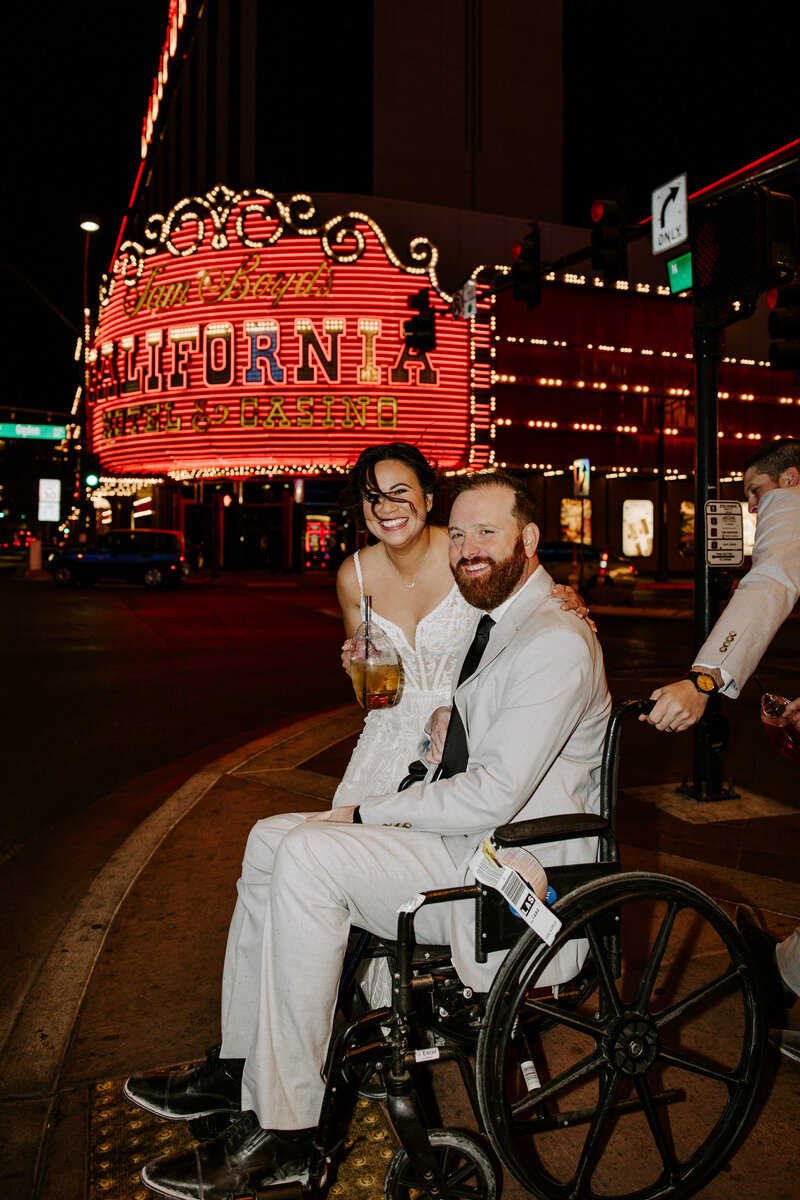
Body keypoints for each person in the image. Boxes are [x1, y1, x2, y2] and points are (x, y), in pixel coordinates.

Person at [124, 470, 612, 1200]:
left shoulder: (553, 640)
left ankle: (287, 1133)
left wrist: (368, 811)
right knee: (268, 838)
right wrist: (443, 735)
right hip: (468, 837)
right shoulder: (499, 620)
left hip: (510, 876)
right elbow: (473, 741)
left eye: (488, 533)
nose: (469, 549)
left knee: (311, 857)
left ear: (529, 540)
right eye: (464, 534)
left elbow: (494, 792)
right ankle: (241, 1065)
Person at [641, 437, 800, 1058]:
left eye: (755, 493)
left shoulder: (790, 498)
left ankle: (780, 974)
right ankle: (781, 971)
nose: (756, 510)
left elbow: (772, 580)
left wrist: (706, 679)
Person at [333, 442, 594, 804]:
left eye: (399, 493)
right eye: (372, 497)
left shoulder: (466, 555)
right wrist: (355, 664)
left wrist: (566, 597)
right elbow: (368, 679)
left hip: (462, 738)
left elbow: (522, 600)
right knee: (342, 841)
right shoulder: (353, 575)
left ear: (427, 499)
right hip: (385, 740)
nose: (385, 507)